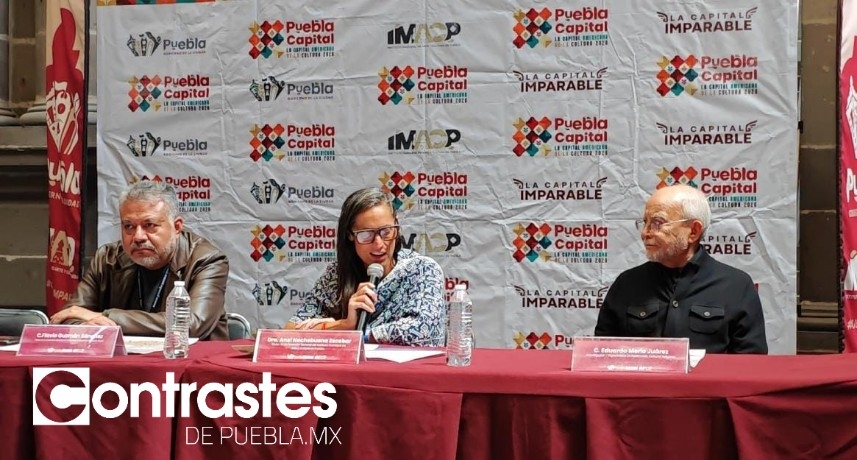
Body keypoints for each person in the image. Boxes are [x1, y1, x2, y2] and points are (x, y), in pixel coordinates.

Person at [594, 184, 767, 353]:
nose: (645, 233)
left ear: (694, 231)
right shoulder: (627, 284)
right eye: (645, 222)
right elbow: (601, 354)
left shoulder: (736, 286)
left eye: (657, 223)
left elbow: (751, 363)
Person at [50, 180, 229, 340]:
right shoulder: (107, 259)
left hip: (190, 362)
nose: (138, 237)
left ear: (176, 227)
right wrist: (85, 325)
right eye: (128, 226)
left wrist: (106, 317)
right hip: (124, 363)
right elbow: (68, 316)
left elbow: (191, 324)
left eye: (149, 225)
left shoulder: (206, 260)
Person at [286, 187, 446, 346]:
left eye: (386, 232)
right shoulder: (337, 274)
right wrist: (344, 325)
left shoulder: (421, 269)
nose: (379, 244)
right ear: (350, 235)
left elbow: (423, 332)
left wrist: (351, 334)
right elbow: (290, 332)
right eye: (366, 234)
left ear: (396, 226)